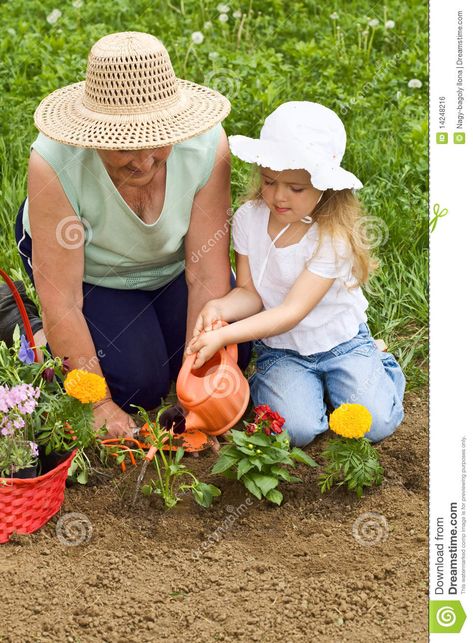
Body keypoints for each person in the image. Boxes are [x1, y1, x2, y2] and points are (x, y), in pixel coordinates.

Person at [8, 31, 251, 438]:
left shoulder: (207, 146)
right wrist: (99, 403)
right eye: (125, 147)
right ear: (94, 136)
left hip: (170, 266)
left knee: (229, 356)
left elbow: (206, 274)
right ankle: (28, 324)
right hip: (90, 272)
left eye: (157, 142)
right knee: (136, 385)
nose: (144, 161)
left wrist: (194, 392)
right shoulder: (54, 162)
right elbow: (64, 298)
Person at [186, 101, 405, 447]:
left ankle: (378, 364)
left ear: (324, 186)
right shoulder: (249, 219)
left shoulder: (331, 237)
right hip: (282, 348)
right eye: (270, 181)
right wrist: (219, 310)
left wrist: (225, 337)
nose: (278, 196)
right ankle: (302, 386)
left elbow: (291, 312)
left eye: (296, 188)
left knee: (373, 424)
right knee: (296, 431)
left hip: (340, 343)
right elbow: (250, 293)